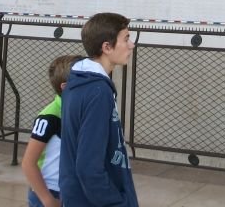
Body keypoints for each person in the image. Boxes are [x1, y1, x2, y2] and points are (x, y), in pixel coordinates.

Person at [59, 12, 138, 207]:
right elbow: (88, 168)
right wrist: (117, 203)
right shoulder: (98, 92)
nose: (131, 45)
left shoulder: (79, 82)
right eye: (126, 39)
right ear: (107, 47)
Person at [21, 54, 80, 207]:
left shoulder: (81, 112)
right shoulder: (49, 117)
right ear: (65, 87)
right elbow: (28, 163)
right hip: (50, 193)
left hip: (72, 192)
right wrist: (47, 200)